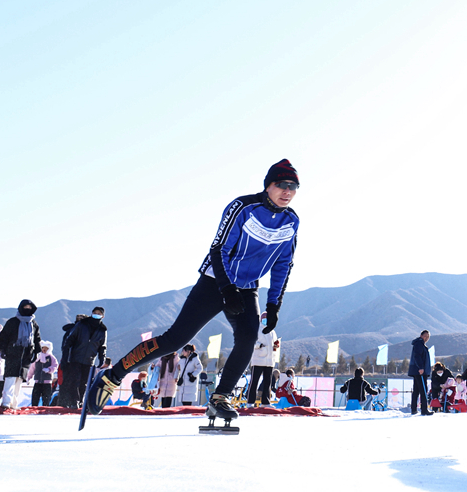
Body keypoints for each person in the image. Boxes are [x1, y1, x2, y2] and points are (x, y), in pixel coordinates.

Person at [84, 160, 301, 424]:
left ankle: (220, 398)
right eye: (281, 184)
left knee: (247, 339)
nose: (287, 191)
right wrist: (226, 288)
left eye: (293, 186)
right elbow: (218, 249)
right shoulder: (242, 207)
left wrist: (274, 305)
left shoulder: (291, 221)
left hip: (246, 288)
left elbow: (283, 264)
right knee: (174, 340)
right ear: (268, 186)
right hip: (215, 281)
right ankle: (112, 376)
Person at [59, 307, 108, 409]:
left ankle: (81, 401)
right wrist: (66, 355)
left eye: (99, 313)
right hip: (76, 357)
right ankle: (74, 402)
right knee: (75, 380)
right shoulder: (82, 324)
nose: (96, 314)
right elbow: (70, 339)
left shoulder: (102, 330)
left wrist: (102, 358)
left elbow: (102, 346)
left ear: (103, 316)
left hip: (90, 359)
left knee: (84, 382)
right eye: (95, 312)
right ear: (91, 313)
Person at [0, 300, 41, 409]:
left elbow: (37, 339)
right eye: (25, 307)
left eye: (29, 307)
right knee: (10, 379)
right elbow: (4, 336)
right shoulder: (12, 322)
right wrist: (3, 350)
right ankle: (6, 402)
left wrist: (36, 352)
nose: (27, 309)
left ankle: (14, 404)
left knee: (19, 380)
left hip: (26, 355)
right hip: (12, 354)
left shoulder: (34, 324)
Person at [247, 311, 279, 406]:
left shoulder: (272, 332)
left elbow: (274, 343)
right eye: (264, 318)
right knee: (254, 382)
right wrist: (259, 345)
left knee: (267, 382)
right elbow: (250, 342)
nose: (266, 320)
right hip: (258, 360)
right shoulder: (256, 330)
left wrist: (276, 345)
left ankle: (265, 402)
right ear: (261, 319)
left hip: (269, 361)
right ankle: (250, 402)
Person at [408, 329, 432, 416]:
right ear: (421, 336)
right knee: (423, 390)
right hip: (420, 371)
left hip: (417, 370)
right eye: (425, 336)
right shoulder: (419, 344)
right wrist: (421, 367)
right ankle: (424, 410)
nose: (426, 338)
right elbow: (417, 356)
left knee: (416, 390)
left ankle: (414, 409)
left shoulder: (420, 344)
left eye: (428, 337)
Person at [27, 341, 58, 406]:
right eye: (43, 348)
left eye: (46, 348)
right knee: (35, 397)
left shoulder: (51, 357)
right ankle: (34, 408)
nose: (44, 349)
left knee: (46, 398)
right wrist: (28, 377)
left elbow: (55, 366)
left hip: (47, 382)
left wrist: (49, 369)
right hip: (37, 381)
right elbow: (32, 368)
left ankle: (45, 408)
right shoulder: (37, 357)